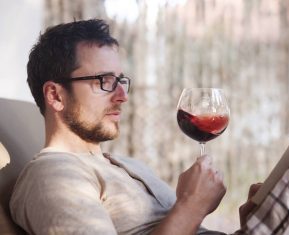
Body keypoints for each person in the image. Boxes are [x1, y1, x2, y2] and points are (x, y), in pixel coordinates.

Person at [9, 19, 254, 235]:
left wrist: (251, 222)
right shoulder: (53, 175)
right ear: (56, 95)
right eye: (104, 81)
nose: (122, 96)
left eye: (121, 81)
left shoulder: (126, 165)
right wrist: (192, 205)